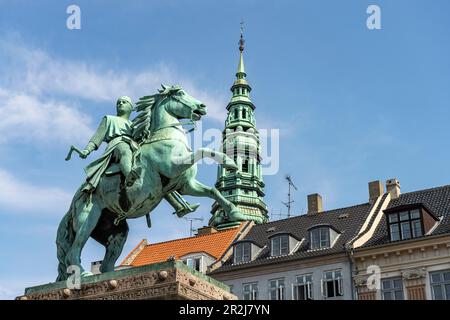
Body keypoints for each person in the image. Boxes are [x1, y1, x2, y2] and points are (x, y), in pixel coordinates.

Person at [80, 96, 139, 192]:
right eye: (118, 102)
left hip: (133, 145)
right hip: (117, 144)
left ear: (131, 108)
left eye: (124, 102)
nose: (120, 104)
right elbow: (97, 137)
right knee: (125, 150)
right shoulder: (109, 119)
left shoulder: (133, 125)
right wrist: (87, 150)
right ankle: (130, 176)